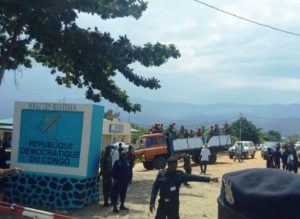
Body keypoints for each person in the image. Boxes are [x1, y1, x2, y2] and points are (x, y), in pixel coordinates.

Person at [149, 157, 218, 219]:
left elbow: (194, 177)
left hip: (174, 204)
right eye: (173, 164)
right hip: (162, 204)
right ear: (169, 165)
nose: (175, 166)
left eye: (176, 164)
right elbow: (155, 188)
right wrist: (152, 202)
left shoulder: (179, 175)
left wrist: (210, 179)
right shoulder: (161, 175)